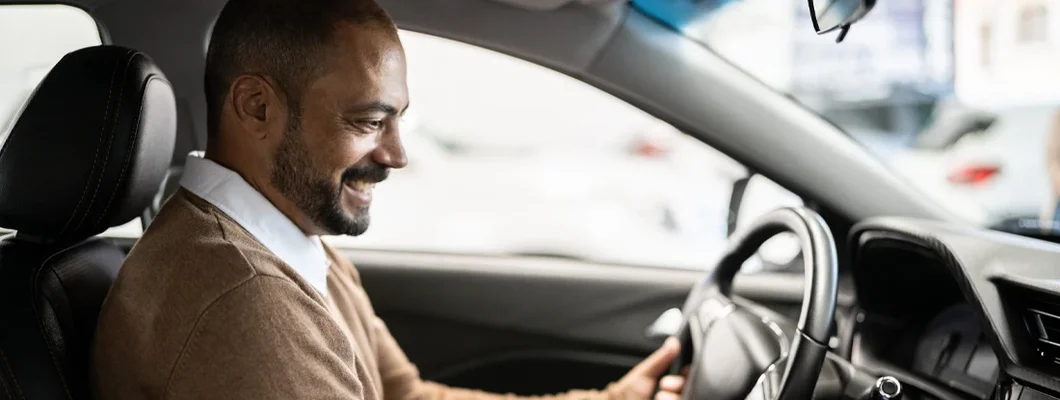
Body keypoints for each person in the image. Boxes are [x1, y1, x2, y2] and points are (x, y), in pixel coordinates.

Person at [90, 0, 688, 399]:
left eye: (399, 119)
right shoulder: (239, 299)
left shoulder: (288, 242)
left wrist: (611, 399)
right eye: (368, 121)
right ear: (256, 108)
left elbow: (407, 395)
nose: (397, 154)